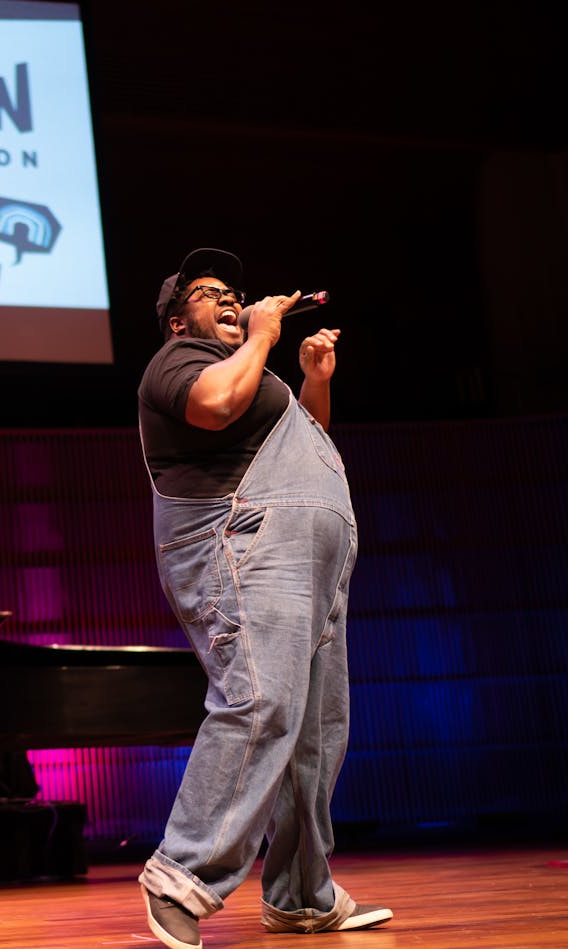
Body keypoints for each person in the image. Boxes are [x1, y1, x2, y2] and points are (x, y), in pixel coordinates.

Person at [134, 248, 391, 949]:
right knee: (260, 701)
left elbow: (302, 439)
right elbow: (215, 408)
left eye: (233, 292)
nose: (227, 298)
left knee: (313, 735)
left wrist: (311, 380)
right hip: (245, 546)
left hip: (309, 561)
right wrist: (261, 335)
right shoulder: (178, 364)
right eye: (208, 292)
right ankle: (180, 873)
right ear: (175, 319)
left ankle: (303, 895)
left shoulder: (255, 370)